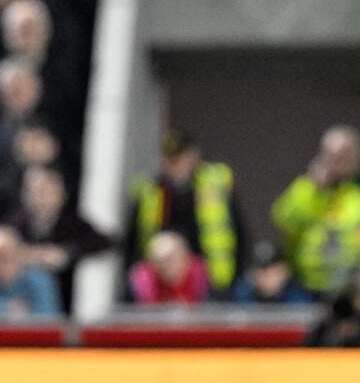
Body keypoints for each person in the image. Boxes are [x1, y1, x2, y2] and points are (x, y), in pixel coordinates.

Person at [126, 129, 245, 297]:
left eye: (179, 159)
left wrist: (234, 279)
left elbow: (238, 231)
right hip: (161, 282)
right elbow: (135, 240)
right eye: (169, 159)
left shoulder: (213, 186)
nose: (174, 166)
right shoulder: (151, 191)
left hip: (210, 280)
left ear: (193, 157)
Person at [272, 125, 360, 296]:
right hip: (306, 284)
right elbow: (284, 221)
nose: (338, 161)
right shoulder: (306, 188)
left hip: (353, 285)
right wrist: (315, 189)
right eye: (333, 155)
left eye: (345, 154)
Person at [3, 163, 112, 312]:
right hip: (20, 295)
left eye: (45, 191)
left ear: (61, 193)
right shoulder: (14, 222)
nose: (39, 197)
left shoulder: (73, 223)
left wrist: (65, 254)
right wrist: (22, 253)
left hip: (66, 295)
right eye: (33, 190)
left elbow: (104, 242)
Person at [128, 230, 210, 306]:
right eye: (158, 261)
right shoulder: (142, 283)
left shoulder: (203, 277)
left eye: (170, 260)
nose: (164, 267)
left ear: (184, 256)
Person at [231, 240, 314, 305]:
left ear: (285, 271)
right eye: (261, 270)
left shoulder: (299, 297)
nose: (267, 277)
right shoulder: (241, 295)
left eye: (273, 270)